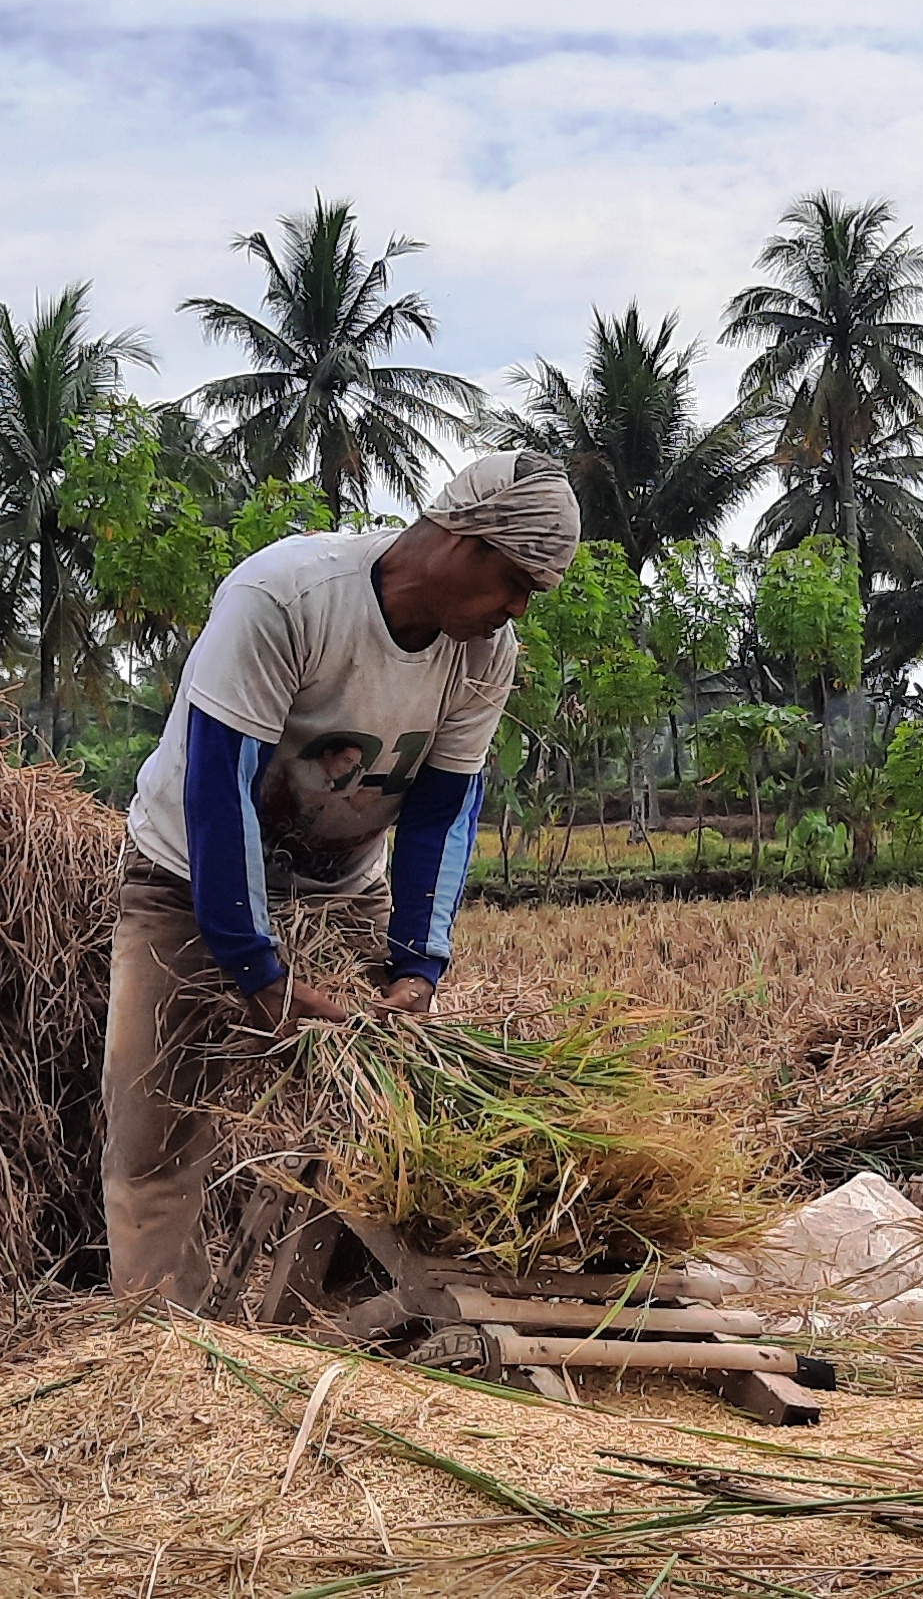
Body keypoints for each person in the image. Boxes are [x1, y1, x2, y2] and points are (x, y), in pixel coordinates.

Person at [103, 451, 580, 1308]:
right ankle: (168, 1344)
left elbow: (441, 812)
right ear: (464, 539)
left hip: (342, 891)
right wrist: (257, 970)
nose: (516, 610)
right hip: (187, 879)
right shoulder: (286, 598)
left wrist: (417, 968)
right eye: (516, 583)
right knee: (158, 1132)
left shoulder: (483, 655)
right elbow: (219, 788)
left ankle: (347, 1327)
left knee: (388, 1121)